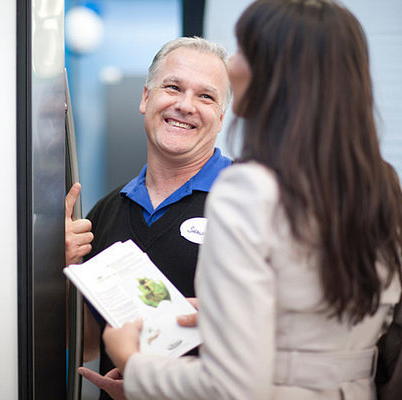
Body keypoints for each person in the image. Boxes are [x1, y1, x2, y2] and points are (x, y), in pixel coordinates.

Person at [100, 0, 402, 399]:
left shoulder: (247, 189)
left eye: (244, 49)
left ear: (275, 74)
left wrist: (134, 365)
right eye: (173, 87)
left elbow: (234, 388)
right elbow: (330, 318)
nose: (235, 63)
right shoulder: (381, 182)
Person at [65, 36, 232, 398]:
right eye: (173, 87)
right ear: (145, 98)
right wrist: (58, 267)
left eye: (206, 96)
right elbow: (87, 344)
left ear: (220, 118)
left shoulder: (250, 204)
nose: (185, 105)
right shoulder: (105, 213)